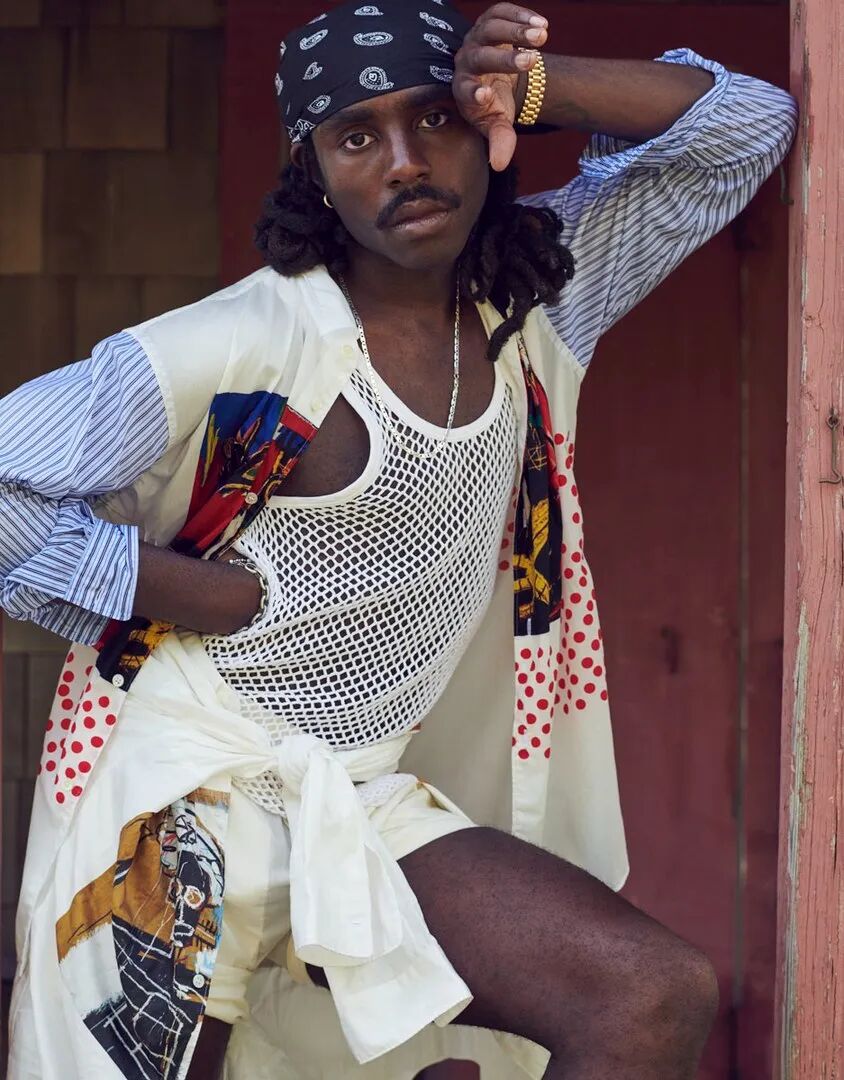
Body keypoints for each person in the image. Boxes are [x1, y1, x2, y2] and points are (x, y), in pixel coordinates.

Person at [2, 3, 796, 1078]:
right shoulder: (239, 343)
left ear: (484, 131)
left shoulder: (535, 305)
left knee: (646, 994)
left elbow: (746, 128)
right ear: (313, 171)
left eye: (436, 120)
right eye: (356, 136)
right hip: (173, 799)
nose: (406, 162)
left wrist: (534, 85)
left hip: (357, 792)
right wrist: (191, 591)